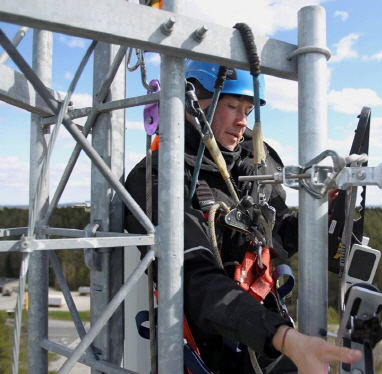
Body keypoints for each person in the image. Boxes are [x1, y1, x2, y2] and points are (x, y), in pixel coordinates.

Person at [125, 60, 360, 373]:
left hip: (264, 333)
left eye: (248, 110)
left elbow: (275, 238)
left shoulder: (253, 165)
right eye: (233, 106)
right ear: (192, 106)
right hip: (205, 350)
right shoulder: (158, 179)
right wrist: (283, 338)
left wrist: (317, 217)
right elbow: (191, 279)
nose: (241, 122)